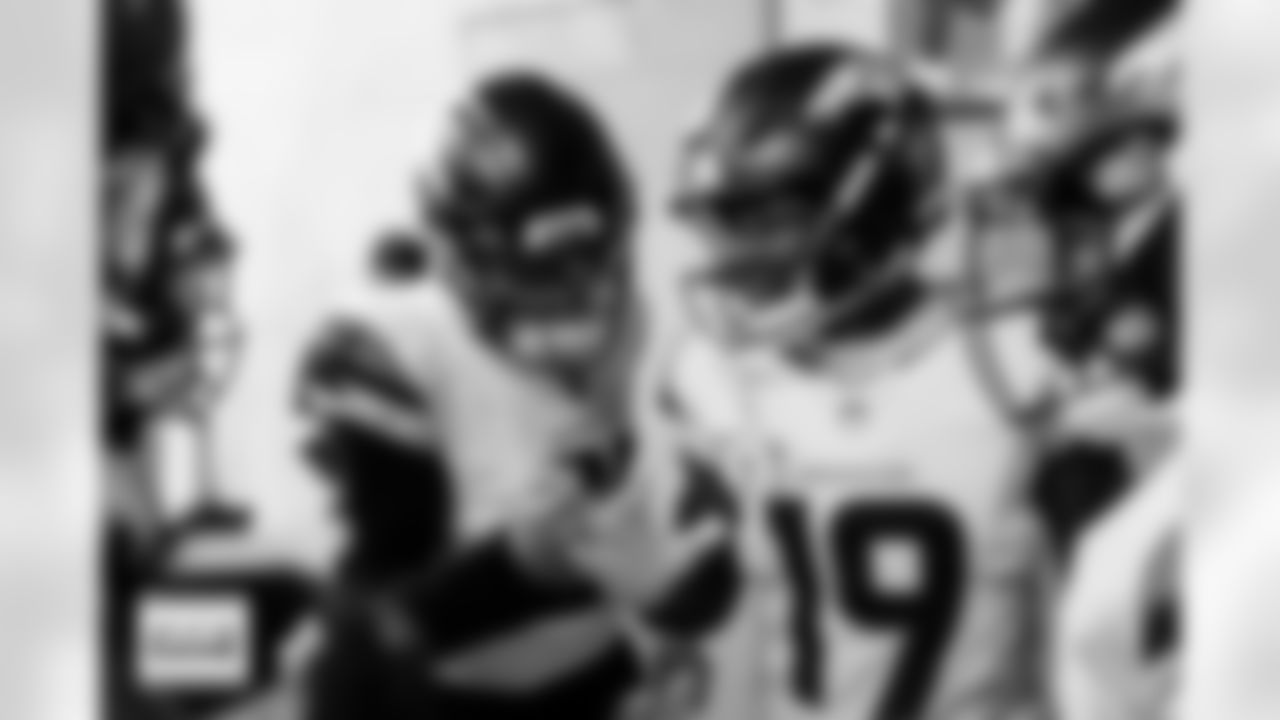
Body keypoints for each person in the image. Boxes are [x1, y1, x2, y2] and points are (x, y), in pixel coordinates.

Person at [642, 42, 1175, 720]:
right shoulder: (718, 378)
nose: (742, 261)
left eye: (772, 222)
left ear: (879, 205)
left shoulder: (1019, 375)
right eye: (728, 227)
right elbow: (694, 597)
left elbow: (1138, 636)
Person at [284, 70, 652, 720]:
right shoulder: (390, 350)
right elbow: (364, 642)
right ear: (459, 260)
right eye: (545, 266)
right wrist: (513, 568)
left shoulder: (627, 323)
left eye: (590, 256)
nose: (579, 289)